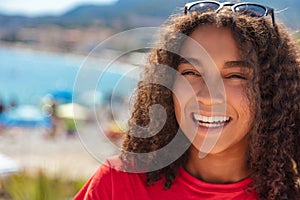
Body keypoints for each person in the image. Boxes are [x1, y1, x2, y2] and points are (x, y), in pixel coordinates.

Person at [74, 1, 300, 199]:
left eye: (235, 76)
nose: (207, 97)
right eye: (191, 72)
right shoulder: (117, 183)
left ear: (270, 92)